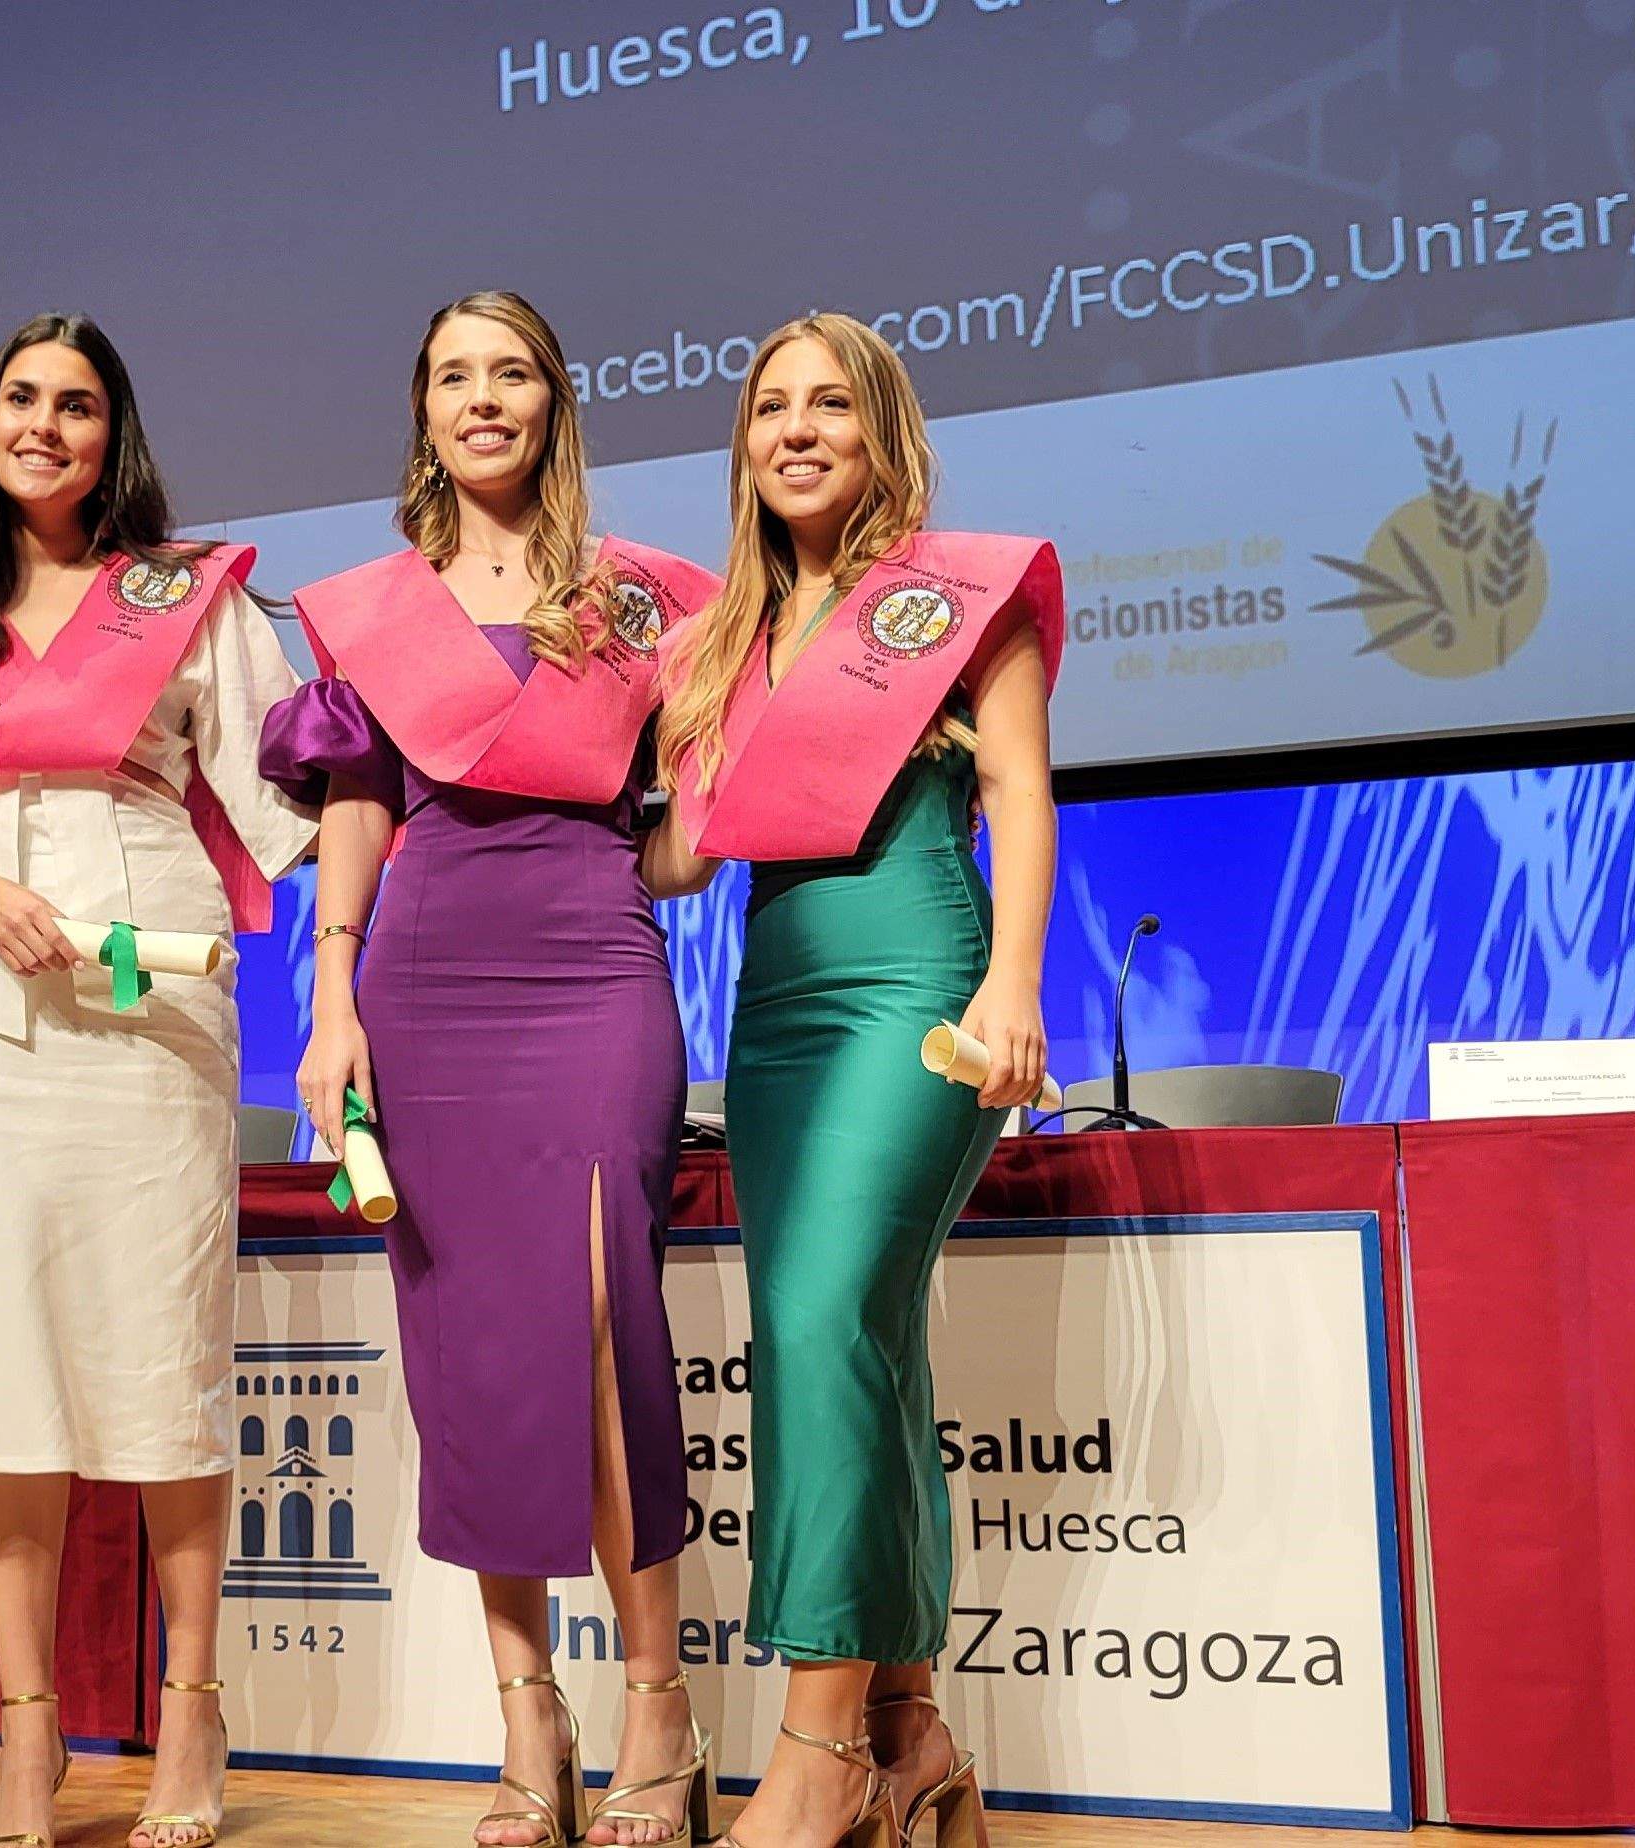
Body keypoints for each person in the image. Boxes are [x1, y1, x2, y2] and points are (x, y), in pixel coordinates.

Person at [0, 312, 316, 1848]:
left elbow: (289, 794)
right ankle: (24, 1740)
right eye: (23, 399)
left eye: (79, 405)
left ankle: (192, 1719)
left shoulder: (191, 600)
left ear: (117, 434)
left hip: (153, 996)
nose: (48, 425)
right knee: (0, 1378)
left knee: (160, 1366)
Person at [260, 291, 721, 1848]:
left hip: (593, 960)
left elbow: (670, 848)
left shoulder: (644, 598)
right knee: (473, 1356)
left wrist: (696, 828)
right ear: (425, 412)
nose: (481, 397)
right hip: (425, 979)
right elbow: (358, 810)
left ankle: (661, 1709)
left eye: (509, 371)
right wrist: (330, 1005)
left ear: (553, 402)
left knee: (606, 1325)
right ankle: (531, 1728)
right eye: (453, 375)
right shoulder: (378, 610)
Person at [644, 313, 1059, 1848]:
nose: (796, 429)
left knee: (819, 1322)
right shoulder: (721, 639)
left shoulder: (955, 606)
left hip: (922, 985)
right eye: (770, 408)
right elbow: (682, 855)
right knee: (858, 1341)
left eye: (832, 405)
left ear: (885, 433)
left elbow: (1019, 789)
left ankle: (812, 1748)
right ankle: (910, 1731)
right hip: (778, 1010)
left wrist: (1015, 984)